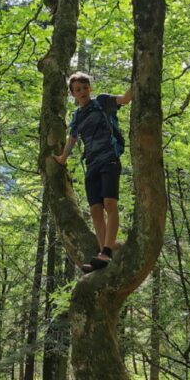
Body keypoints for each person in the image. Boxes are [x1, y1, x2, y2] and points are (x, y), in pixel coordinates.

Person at [53, 71, 132, 272]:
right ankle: (103, 252)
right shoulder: (77, 115)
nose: (82, 92)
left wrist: (138, 81)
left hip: (109, 160)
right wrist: (62, 158)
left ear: (90, 88)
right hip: (91, 164)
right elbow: (72, 139)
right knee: (95, 210)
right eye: (77, 90)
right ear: (72, 94)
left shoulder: (103, 101)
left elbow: (124, 99)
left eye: (85, 87)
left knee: (109, 203)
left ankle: (106, 250)